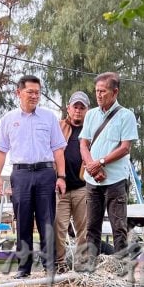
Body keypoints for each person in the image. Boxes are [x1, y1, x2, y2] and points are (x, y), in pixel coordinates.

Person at [0, 75, 67, 278]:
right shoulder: (8, 119)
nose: (34, 96)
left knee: (47, 221)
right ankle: (23, 267)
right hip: (20, 174)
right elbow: (1, 151)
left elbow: (58, 149)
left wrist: (61, 177)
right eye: (30, 92)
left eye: (38, 92)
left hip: (45, 173)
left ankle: (49, 266)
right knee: (23, 220)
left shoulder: (49, 117)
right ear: (19, 93)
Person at [81, 72, 138, 263]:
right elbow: (83, 143)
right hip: (92, 179)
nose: (99, 95)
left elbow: (125, 148)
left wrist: (101, 162)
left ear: (115, 92)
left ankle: (121, 266)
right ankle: (91, 265)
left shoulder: (126, 116)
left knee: (118, 226)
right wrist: (91, 165)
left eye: (103, 91)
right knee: (92, 225)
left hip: (115, 180)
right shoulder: (90, 115)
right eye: (97, 91)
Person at [54, 91, 90, 273]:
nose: (78, 110)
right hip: (60, 187)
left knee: (84, 229)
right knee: (58, 228)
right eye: (75, 106)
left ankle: (82, 265)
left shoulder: (91, 129)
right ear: (68, 108)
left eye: (82, 107)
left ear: (87, 110)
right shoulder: (58, 126)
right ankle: (59, 264)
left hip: (82, 187)